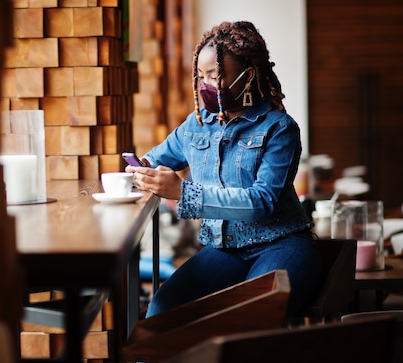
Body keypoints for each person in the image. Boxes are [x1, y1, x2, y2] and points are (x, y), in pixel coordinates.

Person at [126, 21, 321, 325]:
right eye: (200, 76)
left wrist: (181, 192)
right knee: (163, 308)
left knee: (254, 316)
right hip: (224, 249)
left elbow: (262, 201)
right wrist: (140, 171)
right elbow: (153, 159)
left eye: (215, 75)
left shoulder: (279, 128)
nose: (206, 84)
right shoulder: (196, 125)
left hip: (280, 243)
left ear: (248, 76)